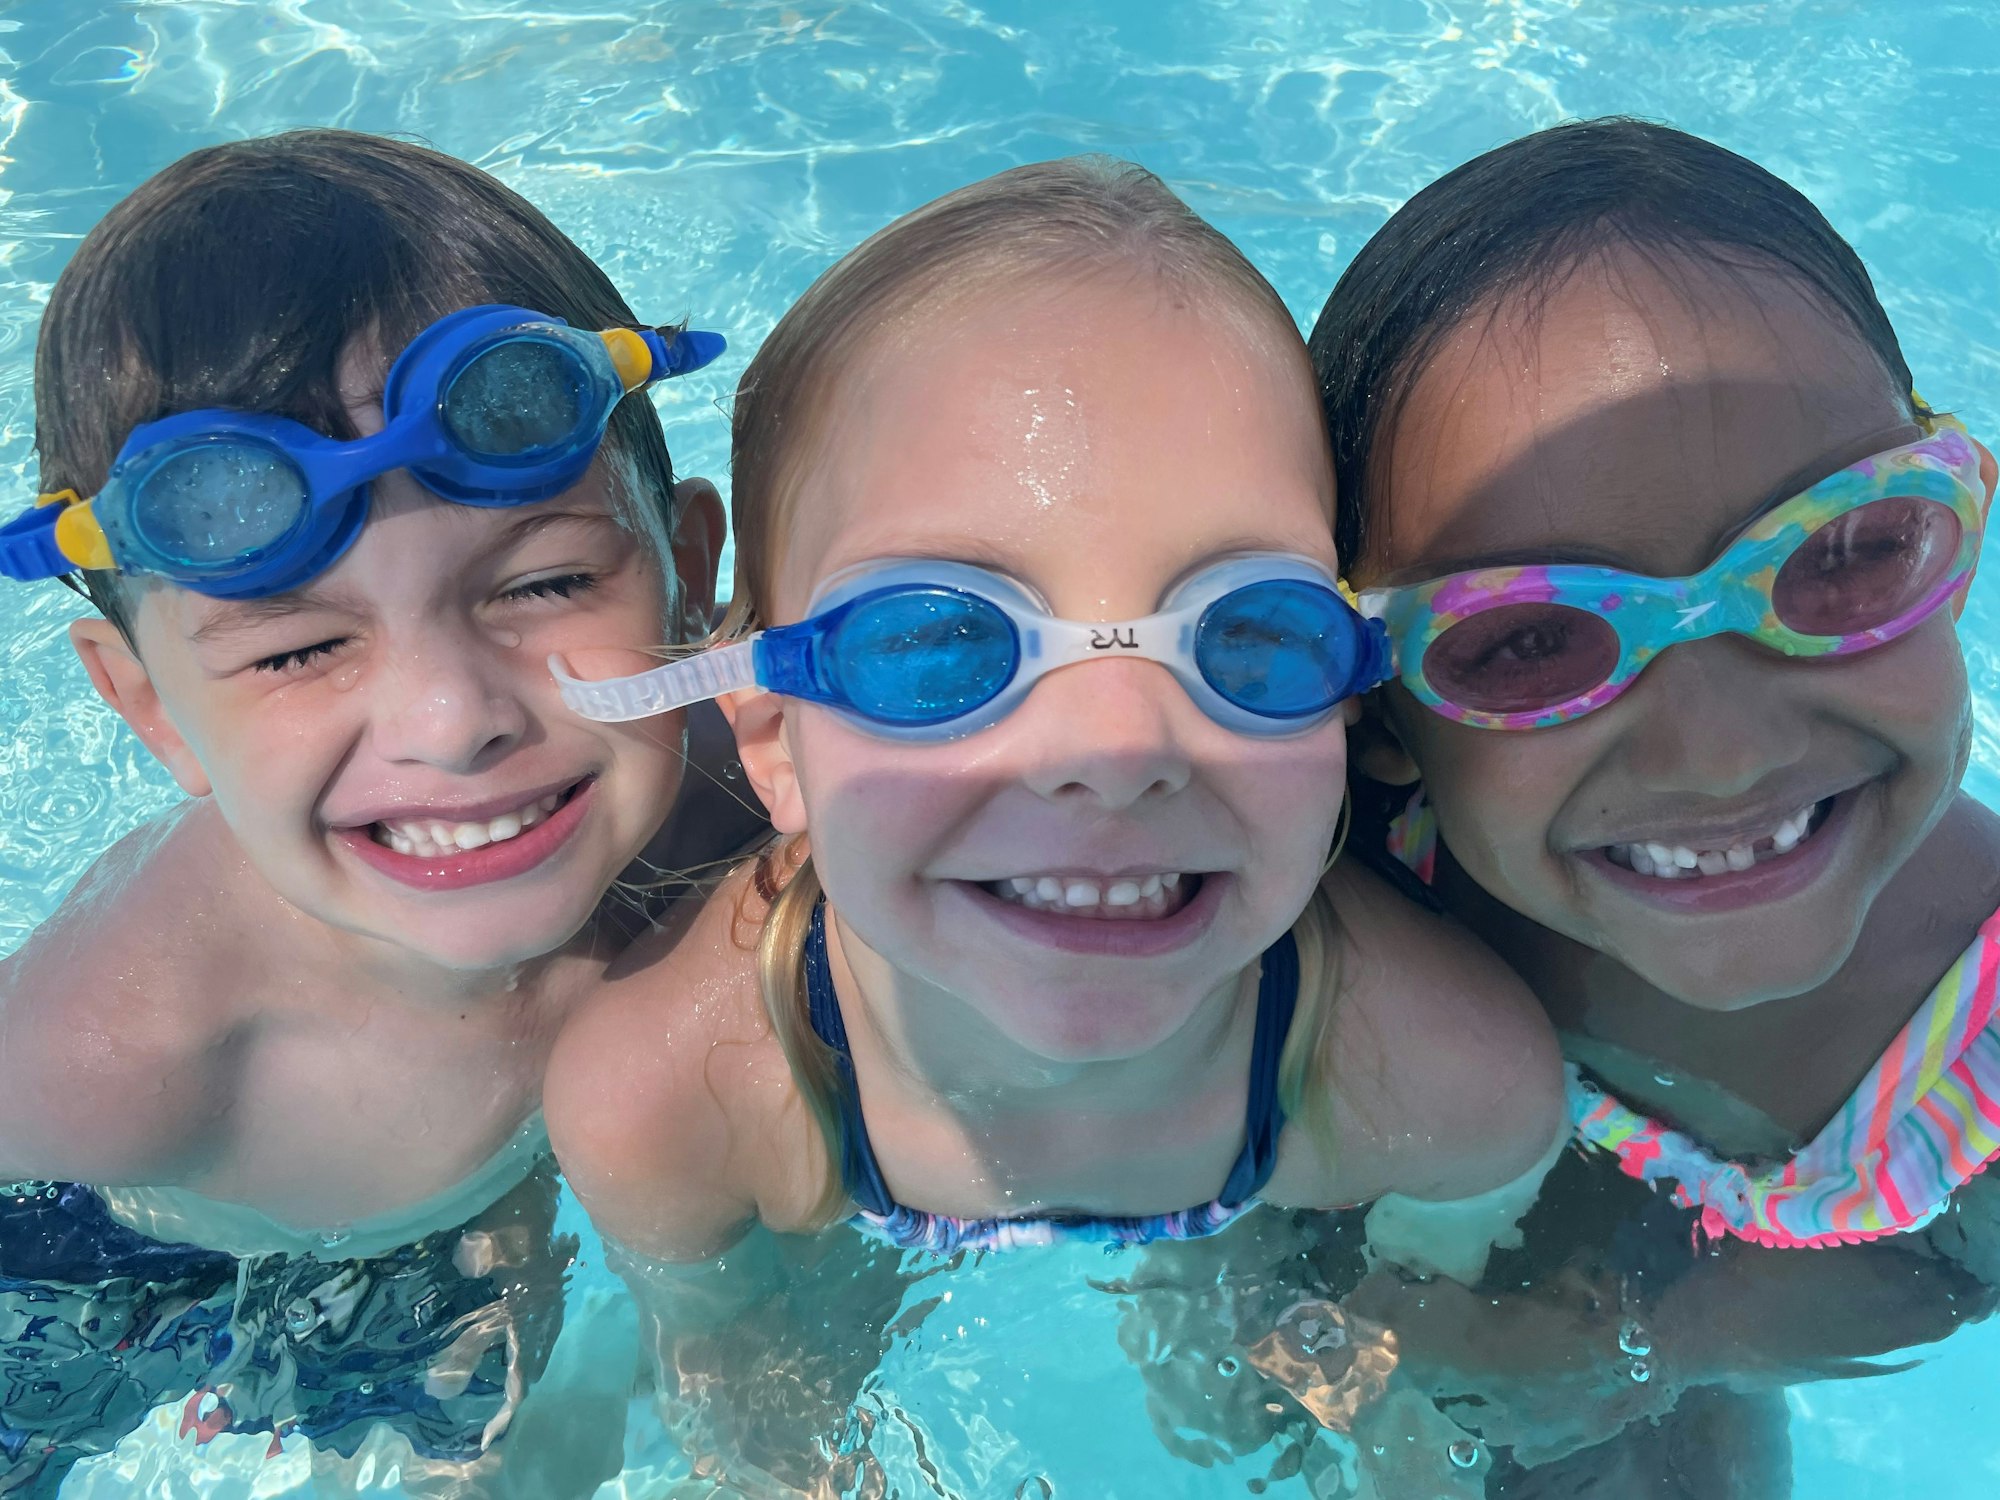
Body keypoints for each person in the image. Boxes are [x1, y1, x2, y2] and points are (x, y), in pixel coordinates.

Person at [543, 157, 1567, 1483]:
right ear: (768, 737)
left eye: (1247, 635)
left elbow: (1421, 1329)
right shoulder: (672, 1099)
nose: (1117, 746)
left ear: (1348, 715)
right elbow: (733, 1389)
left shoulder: (1449, 1085)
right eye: (936, 640)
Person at [0, 129, 743, 1495]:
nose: (453, 719)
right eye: (295, 650)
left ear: (691, 577)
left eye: (539, 586)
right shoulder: (106, 1071)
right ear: (150, 709)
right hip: (178, 1264)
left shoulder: (754, 797)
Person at [1307, 116, 2000, 1490]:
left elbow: (1934, 1288)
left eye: (1845, 552)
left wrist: (1669, 1341)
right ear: (1376, 718)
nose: (1721, 750)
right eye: (1528, 637)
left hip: (1751, 1302)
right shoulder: (1359, 888)